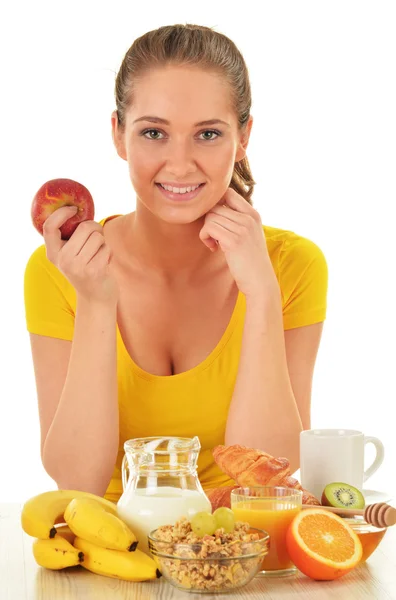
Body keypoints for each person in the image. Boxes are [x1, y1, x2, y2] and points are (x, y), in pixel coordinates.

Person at [24, 23, 328, 504]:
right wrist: (96, 303)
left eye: (208, 133)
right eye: (153, 133)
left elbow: (268, 477)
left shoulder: (293, 265)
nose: (181, 164)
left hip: (236, 549)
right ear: (119, 135)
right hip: (110, 549)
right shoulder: (61, 269)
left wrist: (262, 295)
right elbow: (76, 482)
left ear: (244, 137)